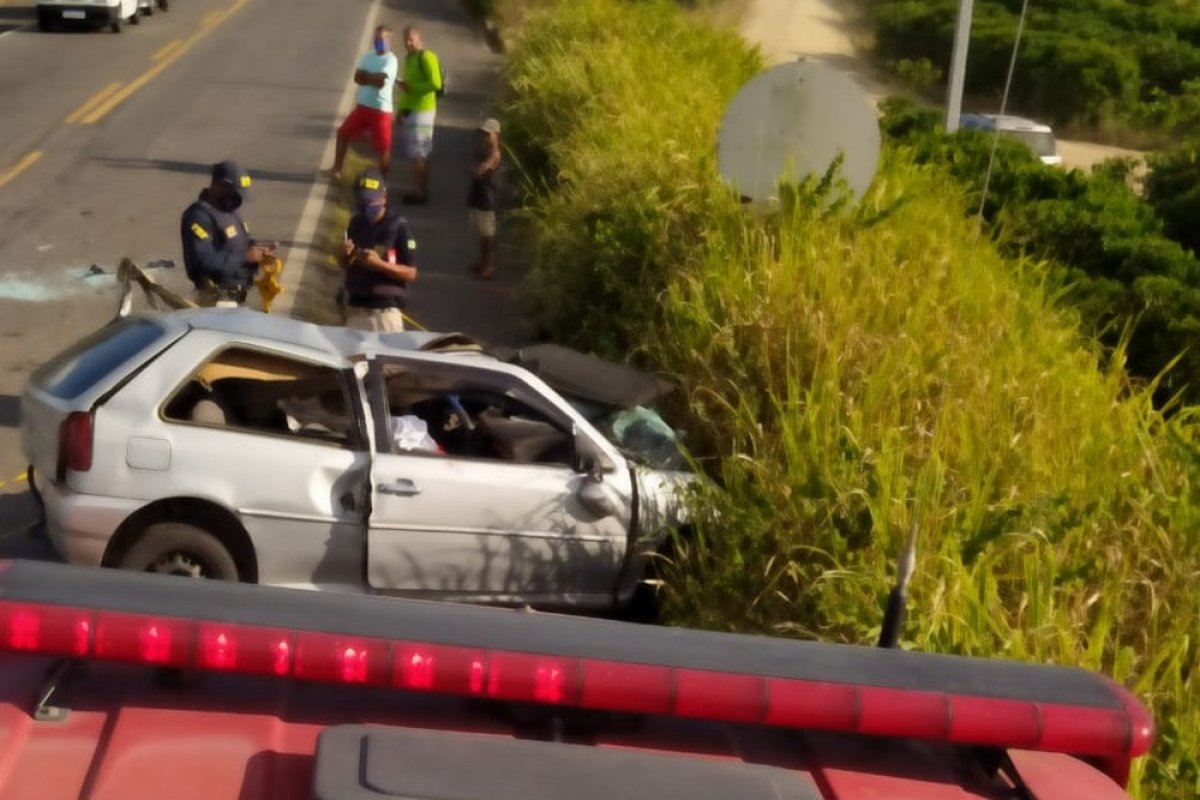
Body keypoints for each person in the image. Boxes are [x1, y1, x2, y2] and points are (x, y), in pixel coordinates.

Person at [180, 160, 276, 308]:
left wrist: (258, 251)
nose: (238, 199)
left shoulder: (229, 213)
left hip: (236, 299)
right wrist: (246, 257)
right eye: (235, 193)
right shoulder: (199, 217)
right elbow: (202, 262)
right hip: (217, 301)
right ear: (220, 185)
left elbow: (237, 245)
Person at [339, 169, 418, 332]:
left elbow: (411, 273)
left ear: (383, 198)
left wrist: (380, 265)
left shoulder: (399, 228)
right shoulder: (355, 223)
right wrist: (344, 255)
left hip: (384, 313)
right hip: (356, 308)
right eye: (361, 202)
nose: (365, 207)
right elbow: (346, 265)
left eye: (370, 202)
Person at [324, 25, 399, 179]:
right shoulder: (368, 56)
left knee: (383, 148)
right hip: (363, 106)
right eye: (377, 39)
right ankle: (336, 169)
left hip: (381, 111)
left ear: (389, 40)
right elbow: (357, 78)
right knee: (343, 132)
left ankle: (382, 182)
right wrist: (372, 77)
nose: (378, 42)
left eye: (382, 39)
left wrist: (368, 77)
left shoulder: (391, 60)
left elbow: (380, 82)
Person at [395, 25, 442, 205]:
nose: (408, 43)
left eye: (411, 40)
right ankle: (419, 190)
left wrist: (413, 88)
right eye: (406, 40)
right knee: (417, 153)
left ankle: (421, 193)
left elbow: (436, 84)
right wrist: (401, 111)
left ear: (419, 39)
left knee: (419, 153)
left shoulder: (427, 57)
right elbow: (407, 90)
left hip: (424, 111)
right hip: (412, 110)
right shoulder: (409, 59)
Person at [468, 118, 502, 280]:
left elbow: (479, 170)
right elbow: (473, 169)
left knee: (488, 236)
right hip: (477, 196)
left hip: (487, 199)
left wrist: (477, 169)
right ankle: (483, 263)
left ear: (496, 135)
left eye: (488, 134)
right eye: (483, 134)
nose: (484, 137)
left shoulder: (495, 154)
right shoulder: (482, 151)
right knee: (482, 234)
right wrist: (476, 169)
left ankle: (489, 266)